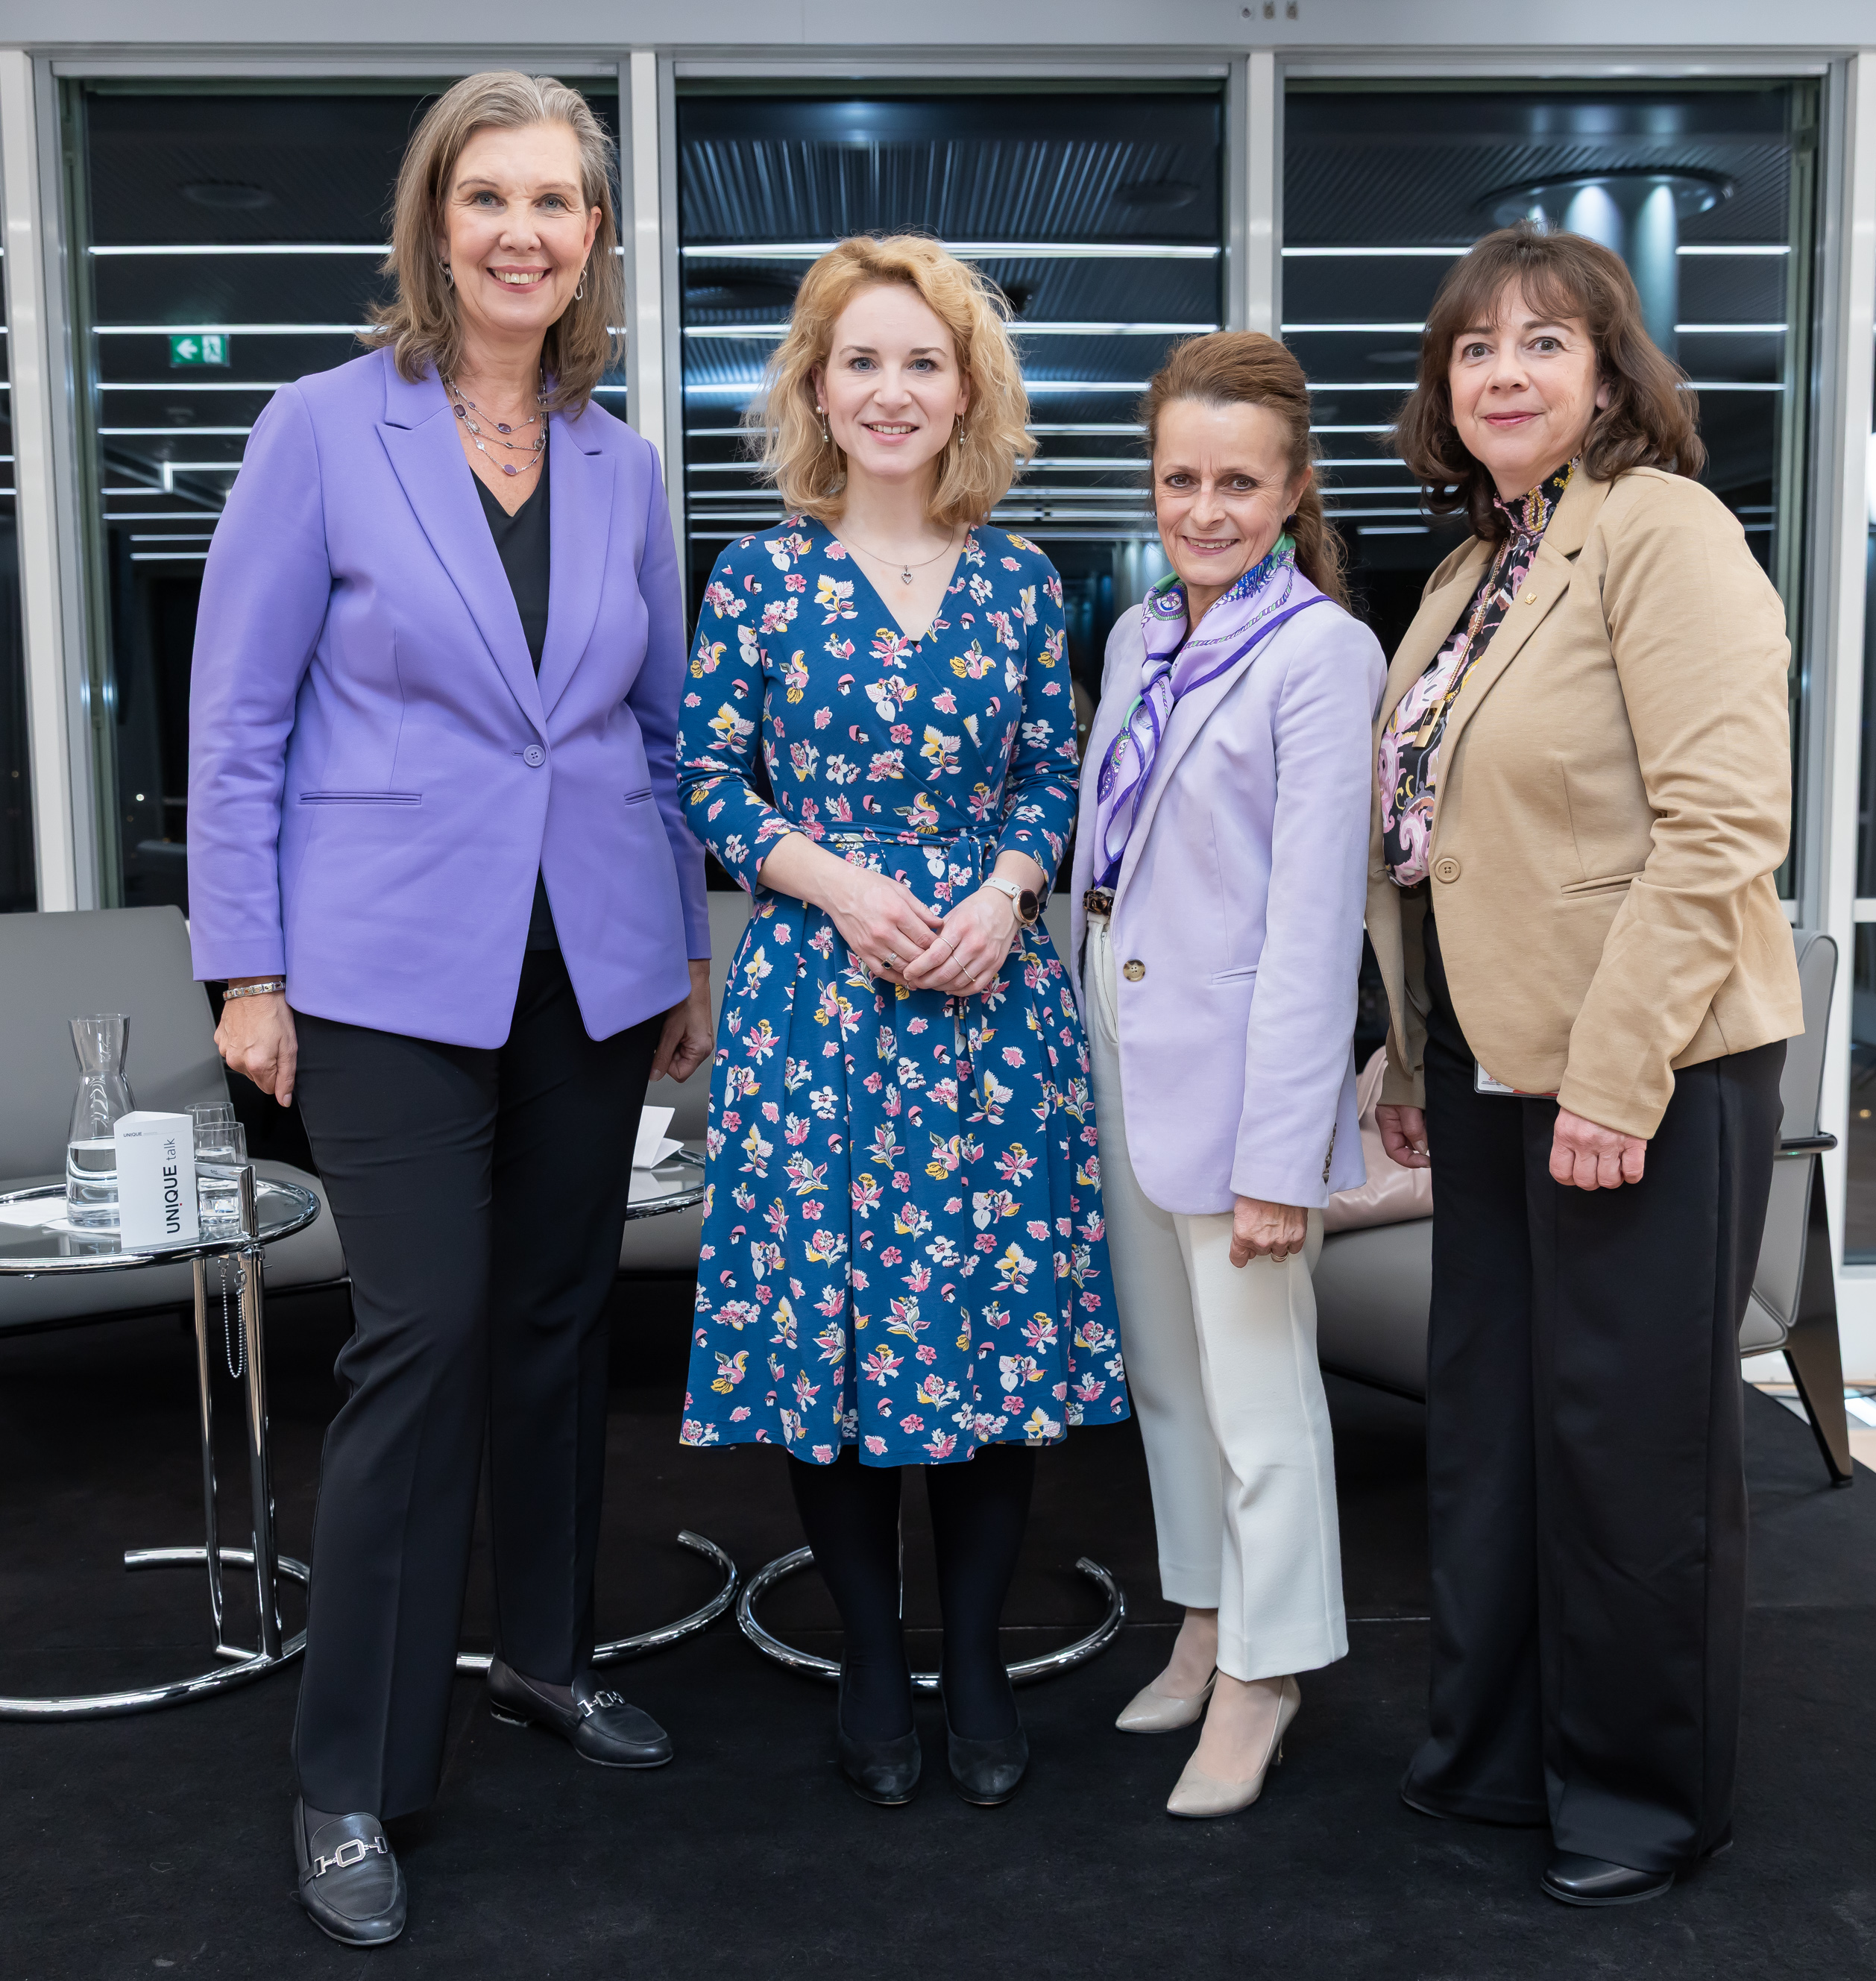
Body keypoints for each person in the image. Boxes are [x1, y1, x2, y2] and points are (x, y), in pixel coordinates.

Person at [186, 72, 712, 1947]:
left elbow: (656, 734)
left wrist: (683, 954)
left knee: (561, 1322)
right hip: (381, 968)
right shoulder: (325, 428)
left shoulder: (621, 464)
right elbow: (238, 720)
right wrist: (247, 968)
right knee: (425, 1335)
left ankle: (547, 1657)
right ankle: (354, 1773)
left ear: (594, 241)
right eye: (488, 196)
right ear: (434, 223)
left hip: (592, 961)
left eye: (556, 202)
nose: (521, 232)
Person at [1368, 222, 1803, 1906]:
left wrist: (1618, 1077)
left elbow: (1720, 827)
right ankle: (1496, 1750)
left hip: (1648, 1068)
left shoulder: (1662, 530)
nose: (1504, 372)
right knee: (1496, 1427)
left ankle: (1635, 1798)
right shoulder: (1468, 574)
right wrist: (1412, 1059)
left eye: (1545, 342)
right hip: (1490, 1065)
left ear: (1612, 378)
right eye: (1475, 347)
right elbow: (1434, 846)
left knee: (1627, 1449)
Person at [676, 233, 1126, 1810]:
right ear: (815, 388)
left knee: (993, 1332)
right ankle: (872, 1659)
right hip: (819, 1004)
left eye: (921, 362)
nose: (890, 390)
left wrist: (1008, 889)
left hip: (994, 1007)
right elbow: (706, 777)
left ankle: (978, 1659)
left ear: (966, 390)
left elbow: (1055, 771)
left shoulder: (1022, 580)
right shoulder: (756, 575)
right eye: (859, 361)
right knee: (837, 1333)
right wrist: (836, 885)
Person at [1069, 330, 1385, 1818]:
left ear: (1292, 488)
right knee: (1168, 1379)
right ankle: (1202, 1618)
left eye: (1238, 484)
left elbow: (1315, 930)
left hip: (1239, 1069)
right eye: (1180, 479)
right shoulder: (1140, 636)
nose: (1204, 510)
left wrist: (1280, 1158)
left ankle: (1270, 1668)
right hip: (1122, 1040)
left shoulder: (1320, 654)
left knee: (1259, 1395)